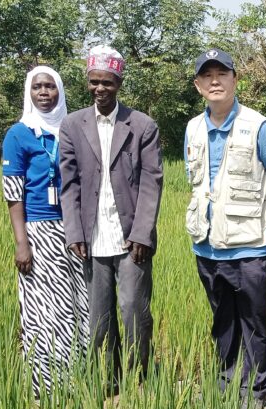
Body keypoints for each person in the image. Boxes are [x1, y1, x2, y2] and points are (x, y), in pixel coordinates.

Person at [184, 48, 266, 409]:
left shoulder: (258, 126)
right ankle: (226, 383)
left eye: (222, 74)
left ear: (234, 80)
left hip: (252, 248)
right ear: (198, 85)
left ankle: (256, 390)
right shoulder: (193, 129)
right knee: (222, 321)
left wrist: (257, 213)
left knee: (254, 322)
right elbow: (196, 182)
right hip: (207, 248)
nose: (215, 81)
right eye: (207, 76)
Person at [59, 46, 163, 387]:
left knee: (134, 311)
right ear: (87, 82)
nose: (100, 89)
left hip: (131, 237)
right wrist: (74, 232)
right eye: (94, 82)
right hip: (92, 238)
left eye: (107, 82)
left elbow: (152, 182)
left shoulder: (141, 125)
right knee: (100, 320)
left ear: (119, 83)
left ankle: (139, 380)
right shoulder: (73, 125)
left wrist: (143, 234)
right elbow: (69, 182)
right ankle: (110, 381)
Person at [2, 66, 89, 398]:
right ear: (29, 92)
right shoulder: (19, 134)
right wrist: (21, 242)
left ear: (60, 91)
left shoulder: (73, 130)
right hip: (39, 231)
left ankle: (78, 381)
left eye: (50, 87)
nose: (43, 92)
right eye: (37, 87)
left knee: (78, 306)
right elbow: (13, 194)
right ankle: (45, 387)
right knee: (43, 309)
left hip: (74, 229)